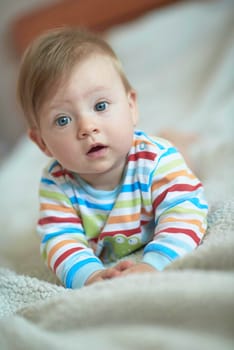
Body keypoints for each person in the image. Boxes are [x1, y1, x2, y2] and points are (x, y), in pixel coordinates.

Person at [17, 27, 208, 289]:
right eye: (63, 120)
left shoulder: (157, 160)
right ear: (41, 142)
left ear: (131, 107)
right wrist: (91, 276)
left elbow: (185, 211)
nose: (87, 127)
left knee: (185, 167)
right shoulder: (57, 185)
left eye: (100, 106)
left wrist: (154, 263)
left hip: (163, 164)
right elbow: (60, 240)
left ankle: (177, 140)